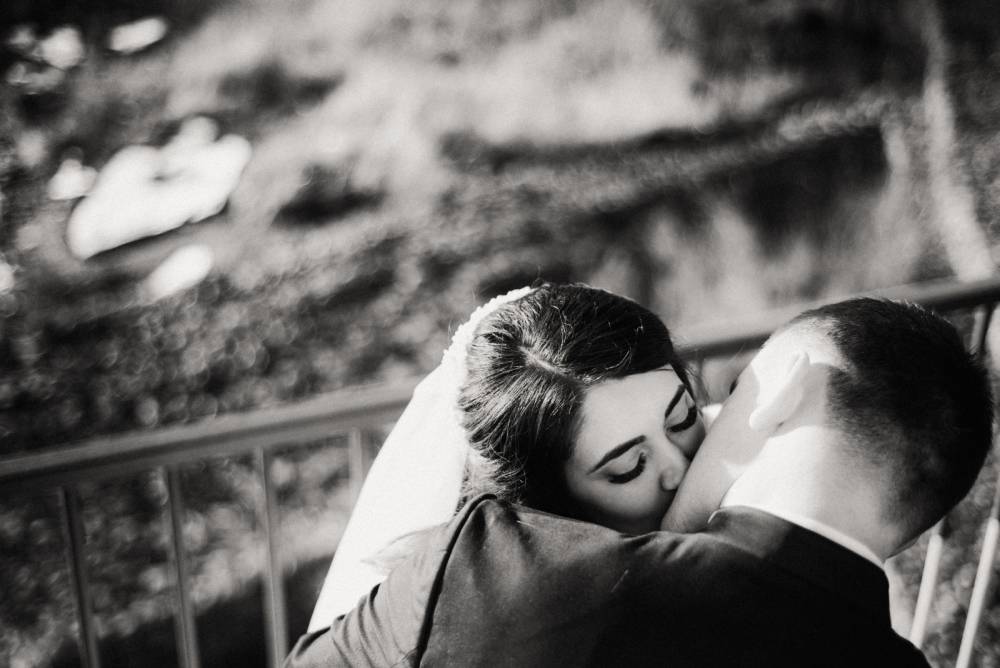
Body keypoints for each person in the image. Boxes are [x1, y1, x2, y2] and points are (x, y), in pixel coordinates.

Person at [286, 297, 993, 667]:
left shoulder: (496, 573)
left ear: (781, 389)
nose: (687, 459)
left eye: (693, 411)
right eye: (624, 465)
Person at [308, 283, 705, 626]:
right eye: (630, 466)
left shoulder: (726, 440)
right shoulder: (539, 619)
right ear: (548, 500)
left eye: (682, 418)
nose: (679, 466)